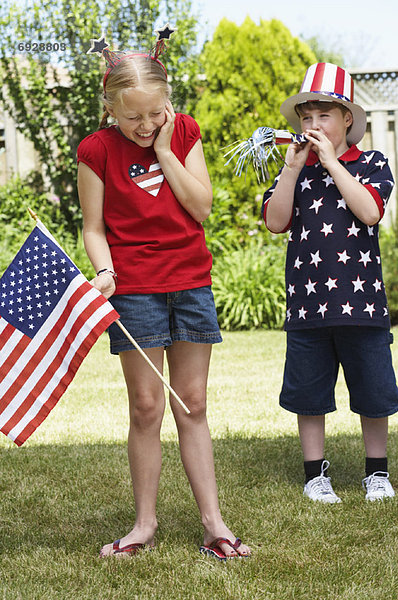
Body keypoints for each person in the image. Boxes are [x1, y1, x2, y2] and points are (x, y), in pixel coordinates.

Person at [77, 34, 250, 559]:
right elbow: (93, 227)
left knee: (192, 403)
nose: (146, 125)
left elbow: (201, 207)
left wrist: (162, 150)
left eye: (155, 114)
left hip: (190, 284)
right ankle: (144, 524)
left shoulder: (183, 133)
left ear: (167, 104)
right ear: (109, 108)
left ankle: (214, 525)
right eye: (133, 118)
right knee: (147, 407)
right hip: (136, 292)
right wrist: (104, 270)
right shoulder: (95, 150)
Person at [262, 62, 398, 503]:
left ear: (347, 120)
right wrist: (291, 169)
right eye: (306, 118)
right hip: (308, 305)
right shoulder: (294, 170)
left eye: (324, 116)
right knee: (309, 393)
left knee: (374, 391)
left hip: (363, 305)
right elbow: (275, 221)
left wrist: (331, 164)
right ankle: (314, 474)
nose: (313, 125)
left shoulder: (373, 163)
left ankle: (376, 472)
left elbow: (370, 211)